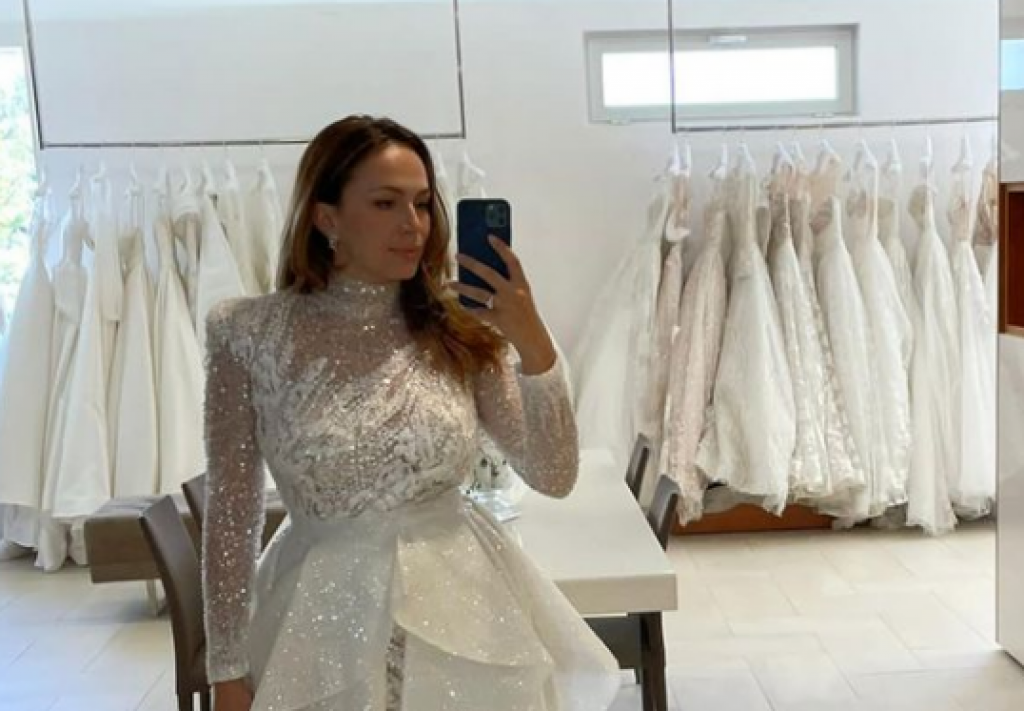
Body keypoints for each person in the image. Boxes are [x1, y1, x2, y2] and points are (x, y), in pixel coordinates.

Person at [202, 115, 619, 711]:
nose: (412, 224)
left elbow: (553, 475)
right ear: (326, 218)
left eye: (422, 203)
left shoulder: (460, 328)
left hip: (465, 608)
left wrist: (533, 343)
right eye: (385, 203)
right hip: (317, 617)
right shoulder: (247, 333)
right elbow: (231, 510)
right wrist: (226, 668)